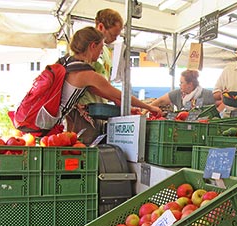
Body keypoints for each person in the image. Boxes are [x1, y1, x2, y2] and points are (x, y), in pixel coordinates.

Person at [56, 27, 161, 133]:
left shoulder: (67, 62)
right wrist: (150, 107)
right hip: (54, 123)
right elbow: (121, 95)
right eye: (101, 47)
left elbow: (102, 93)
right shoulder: (87, 74)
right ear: (93, 46)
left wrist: (125, 106)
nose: (101, 52)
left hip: (52, 121)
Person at [66, 8, 125, 144]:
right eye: (113, 34)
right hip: (84, 113)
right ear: (101, 27)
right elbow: (96, 87)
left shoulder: (104, 52)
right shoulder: (90, 51)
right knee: (82, 150)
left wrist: (115, 99)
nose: (115, 38)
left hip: (97, 112)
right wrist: (118, 98)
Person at [150, 69, 215, 112]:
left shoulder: (206, 94)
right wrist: (147, 109)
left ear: (190, 84)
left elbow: (221, 102)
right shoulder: (178, 94)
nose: (179, 85)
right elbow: (161, 101)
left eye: (181, 83)